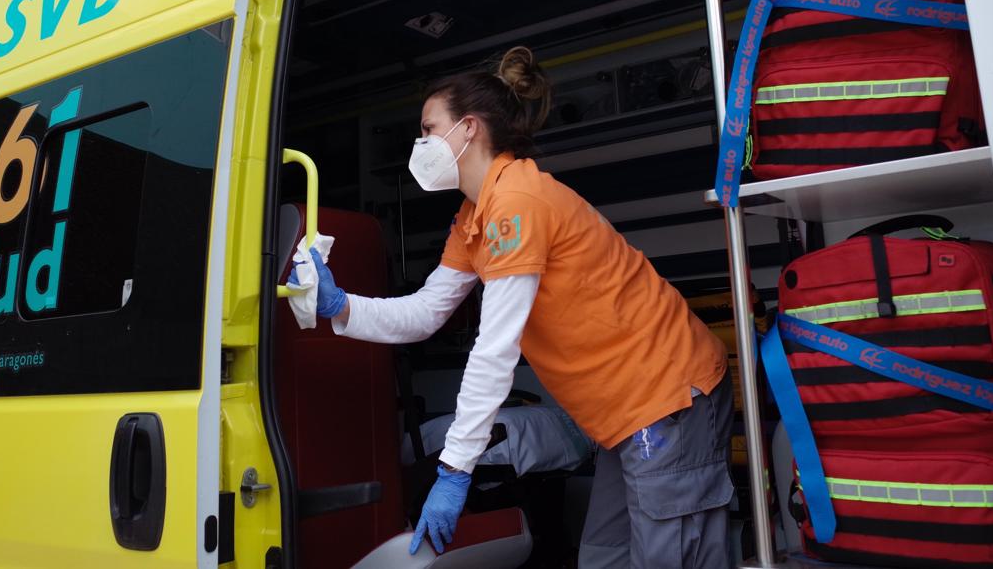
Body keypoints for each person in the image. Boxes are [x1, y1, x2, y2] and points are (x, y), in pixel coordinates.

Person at [294, 47, 732, 568]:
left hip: (666, 399)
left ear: (469, 129)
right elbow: (428, 312)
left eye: (428, 129)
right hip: (623, 415)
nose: (419, 144)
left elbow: (495, 349)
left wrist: (456, 468)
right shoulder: (474, 216)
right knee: (603, 558)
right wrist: (342, 306)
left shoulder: (517, 203)